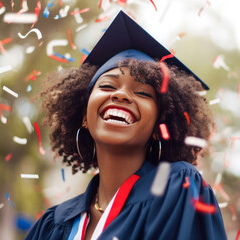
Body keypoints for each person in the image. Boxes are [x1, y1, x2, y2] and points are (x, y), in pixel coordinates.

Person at [26, 10, 227, 240]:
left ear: (158, 126)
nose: (121, 95)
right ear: (84, 116)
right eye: (108, 87)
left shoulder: (176, 189)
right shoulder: (52, 225)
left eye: (142, 92)